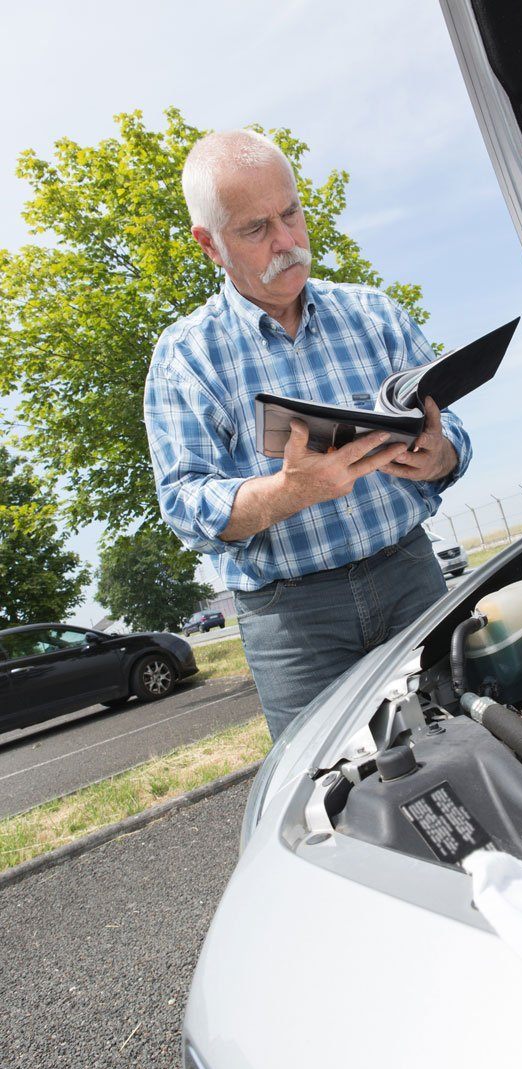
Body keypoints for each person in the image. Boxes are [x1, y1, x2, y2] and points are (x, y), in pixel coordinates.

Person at [144, 130, 472, 740]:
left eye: (291, 213)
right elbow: (186, 505)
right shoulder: (186, 357)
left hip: (412, 578)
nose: (288, 241)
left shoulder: (375, 313)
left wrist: (439, 455)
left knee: (471, 748)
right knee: (332, 796)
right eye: (255, 229)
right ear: (210, 245)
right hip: (293, 621)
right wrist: (287, 492)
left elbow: (449, 429)